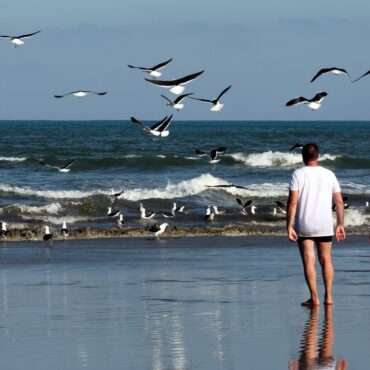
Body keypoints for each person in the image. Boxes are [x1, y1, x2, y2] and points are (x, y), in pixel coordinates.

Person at [287, 143, 345, 306]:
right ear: (318, 156)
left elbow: (292, 201)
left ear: (302, 156)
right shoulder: (329, 174)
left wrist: (289, 225)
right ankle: (328, 297)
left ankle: (315, 298)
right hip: (324, 224)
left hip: (304, 224)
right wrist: (340, 224)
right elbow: (339, 202)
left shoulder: (298, 174)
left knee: (308, 260)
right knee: (326, 259)